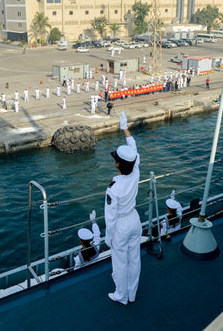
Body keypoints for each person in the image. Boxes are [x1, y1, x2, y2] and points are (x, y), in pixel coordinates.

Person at [105, 112, 142, 305]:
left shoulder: (113, 188)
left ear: (118, 164)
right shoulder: (135, 172)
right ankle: (132, 293)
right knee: (134, 258)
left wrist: (109, 237)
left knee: (120, 262)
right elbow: (133, 150)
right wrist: (125, 129)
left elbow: (110, 217)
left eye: (115, 159)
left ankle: (121, 295)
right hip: (134, 219)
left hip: (120, 224)